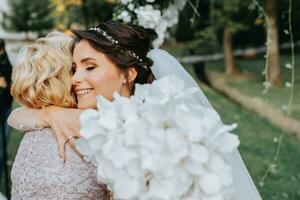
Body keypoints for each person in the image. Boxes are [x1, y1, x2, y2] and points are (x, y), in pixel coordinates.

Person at [8, 21, 262, 200]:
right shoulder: (86, 119)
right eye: (74, 68)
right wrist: (50, 113)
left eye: (90, 67)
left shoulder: (152, 132)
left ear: (128, 74)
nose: (74, 78)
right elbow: (17, 115)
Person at [9, 32, 110, 199]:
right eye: (75, 69)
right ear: (64, 76)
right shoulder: (86, 125)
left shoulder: (33, 129)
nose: (79, 77)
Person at [0, 38, 13, 180]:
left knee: (2, 150)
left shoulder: (6, 61)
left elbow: (9, 85)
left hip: (6, 109)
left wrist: (5, 84)